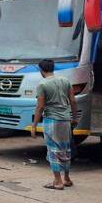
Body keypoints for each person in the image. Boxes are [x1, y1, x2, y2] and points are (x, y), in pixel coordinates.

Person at [31, 59, 78, 190]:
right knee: (65, 148)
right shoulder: (65, 80)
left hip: (51, 120)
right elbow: (73, 101)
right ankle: (67, 179)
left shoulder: (42, 84)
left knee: (53, 149)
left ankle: (58, 181)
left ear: (41, 70)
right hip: (66, 119)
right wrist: (74, 117)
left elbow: (40, 107)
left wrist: (34, 125)